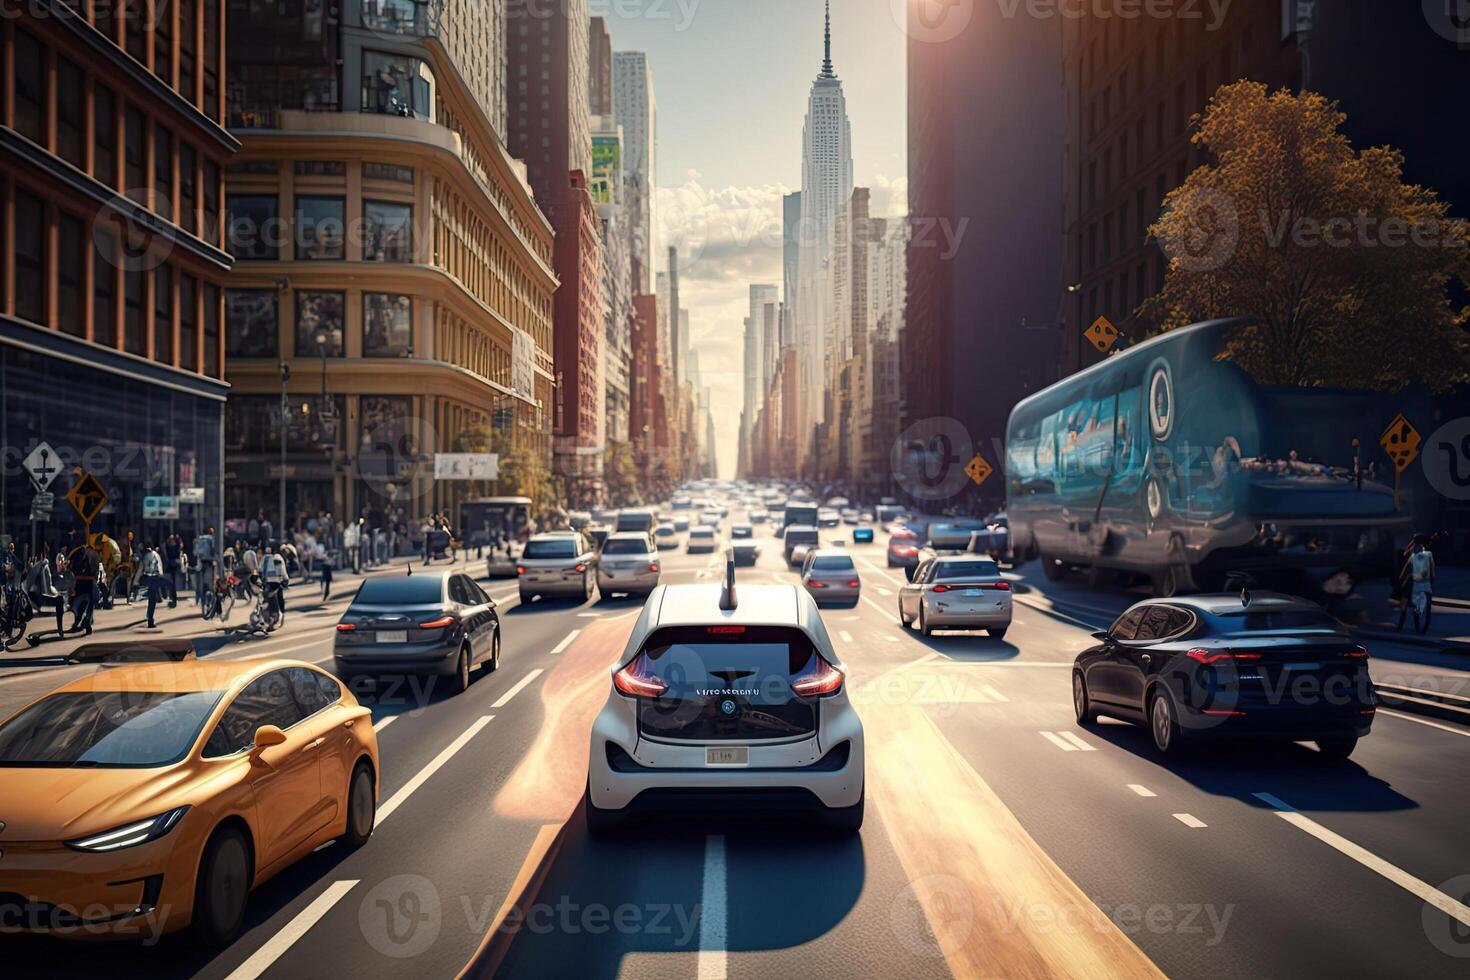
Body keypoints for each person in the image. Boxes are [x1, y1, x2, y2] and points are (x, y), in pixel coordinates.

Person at [1398, 535, 1436, 634]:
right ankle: (1419, 629)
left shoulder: (1413, 552)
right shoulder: (1428, 553)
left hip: (1412, 581)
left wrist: (1402, 578)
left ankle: (1401, 627)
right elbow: (1431, 570)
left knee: (1404, 605)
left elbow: (1406, 567)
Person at [24, 552, 65, 640]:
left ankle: (60, 629)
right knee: (60, 600)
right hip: (39, 595)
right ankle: (60, 629)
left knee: (60, 599)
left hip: (37, 593)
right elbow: (46, 586)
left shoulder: (40, 566)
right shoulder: (43, 566)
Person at [69, 542, 100, 635]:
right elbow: (97, 569)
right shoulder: (96, 555)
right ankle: (88, 620)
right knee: (90, 602)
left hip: (80, 580)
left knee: (78, 602)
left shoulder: (79, 552)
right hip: (91, 580)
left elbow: (73, 566)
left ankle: (77, 621)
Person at [260, 546, 290, 624]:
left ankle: (270, 615)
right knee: (280, 597)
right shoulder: (278, 557)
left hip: (267, 582)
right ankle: (281, 613)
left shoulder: (265, 558)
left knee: (267, 598)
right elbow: (282, 570)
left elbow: (260, 569)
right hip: (277, 582)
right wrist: (286, 579)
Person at [194, 526, 218, 604]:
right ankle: (210, 598)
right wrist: (216, 558)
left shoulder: (199, 538)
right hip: (209, 561)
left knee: (199, 582)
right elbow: (213, 549)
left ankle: (198, 599)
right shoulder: (211, 538)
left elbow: (195, 551)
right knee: (210, 582)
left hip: (200, 561)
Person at [163, 533, 184, 608]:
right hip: (171, 565)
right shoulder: (170, 547)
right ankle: (172, 598)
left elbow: (180, 545)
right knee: (171, 583)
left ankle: (173, 598)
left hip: (172, 565)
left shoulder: (175, 547)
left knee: (172, 583)